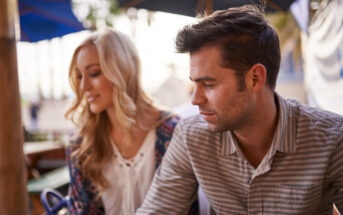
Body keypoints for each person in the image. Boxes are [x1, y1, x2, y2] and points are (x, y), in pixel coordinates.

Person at [137, 5, 343, 215]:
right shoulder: (191, 137)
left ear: (255, 78)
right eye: (194, 84)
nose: (195, 100)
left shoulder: (332, 138)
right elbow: (157, 210)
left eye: (208, 84)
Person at [64, 29, 181, 215]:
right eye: (79, 76)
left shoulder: (174, 132)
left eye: (94, 73)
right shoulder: (81, 144)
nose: (83, 86)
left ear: (123, 71)